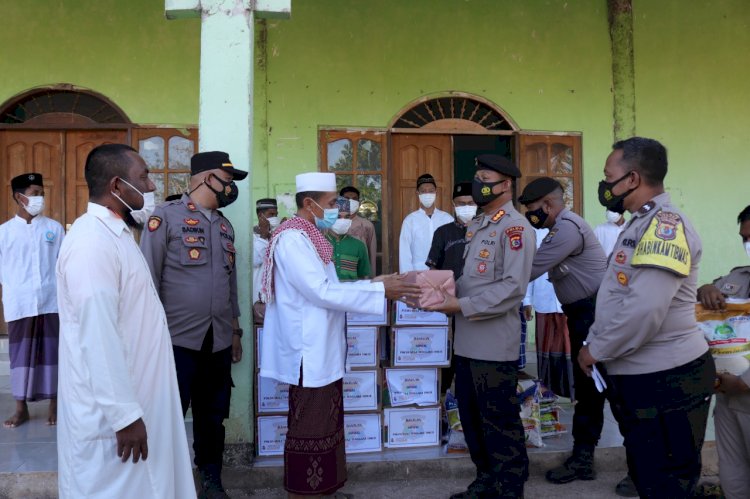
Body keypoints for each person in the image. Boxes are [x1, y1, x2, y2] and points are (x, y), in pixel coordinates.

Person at [259, 172, 420, 498]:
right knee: (310, 427)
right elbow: (321, 292)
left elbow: (332, 289)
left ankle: (324, 488)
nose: (337, 209)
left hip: (323, 349)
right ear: (310, 203)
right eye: (332, 203)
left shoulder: (310, 237)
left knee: (328, 426)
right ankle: (303, 493)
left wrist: (378, 283)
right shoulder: (293, 239)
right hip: (309, 353)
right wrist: (379, 289)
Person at [56, 144, 194, 498]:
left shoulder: (117, 234)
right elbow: (97, 334)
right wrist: (124, 416)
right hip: (113, 419)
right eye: (144, 176)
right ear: (117, 186)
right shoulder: (91, 244)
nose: (151, 187)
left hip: (142, 399)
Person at [579, 137, 715, 498]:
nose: (604, 184)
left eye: (609, 176)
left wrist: (596, 349)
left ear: (633, 179)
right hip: (645, 379)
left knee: (666, 485)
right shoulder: (640, 223)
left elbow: (644, 309)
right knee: (649, 479)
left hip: (667, 380)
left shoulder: (665, 226)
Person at [426, 154, 535, 498]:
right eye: (476, 177)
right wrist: (439, 291)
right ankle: (486, 480)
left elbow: (512, 288)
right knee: (472, 419)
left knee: (498, 420)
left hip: (493, 344)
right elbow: (470, 279)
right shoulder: (478, 224)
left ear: (506, 185)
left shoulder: (515, 228)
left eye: (485, 178)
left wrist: (462, 304)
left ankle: (509, 487)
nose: (478, 184)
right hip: (466, 341)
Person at [140, 151, 246, 498]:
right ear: (204, 178)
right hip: (176, 340)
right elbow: (148, 280)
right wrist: (150, 336)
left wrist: (234, 331)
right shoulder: (166, 218)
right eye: (226, 179)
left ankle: (211, 479)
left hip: (217, 340)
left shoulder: (225, 226)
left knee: (213, 417)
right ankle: (161, 484)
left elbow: (231, 283)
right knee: (169, 416)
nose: (230, 187)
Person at [518, 177, 625, 489]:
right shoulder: (559, 226)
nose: (530, 214)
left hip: (596, 316)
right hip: (583, 317)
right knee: (589, 389)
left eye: (533, 209)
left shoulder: (567, 228)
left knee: (613, 391)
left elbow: (530, 269)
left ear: (548, 205)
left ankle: (641, 467)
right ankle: (583, 458)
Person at [0, 173, 63, 428]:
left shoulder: (54, 229)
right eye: (35, 193)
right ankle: (21, 408)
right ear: (19, 197)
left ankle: (55, 405)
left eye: (41, 193)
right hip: (21, 304)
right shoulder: (4, 233)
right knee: (21, 357)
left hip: (51, 302)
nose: (40, 198)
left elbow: (64, 266)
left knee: (53, 354)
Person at [696, 205, 750, 499]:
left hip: (743, 388)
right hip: (728, 398)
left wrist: (744, 382)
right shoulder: (738, 277)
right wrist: (704, 288)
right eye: (744, 238)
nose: (748, 244)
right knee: (733, 475)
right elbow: (702, 307)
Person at [426, 181, 475, 394]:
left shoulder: (487, 230)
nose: (466, 207)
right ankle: (444, 395)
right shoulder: (443, 232)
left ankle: (469, 393)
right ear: (453, 205)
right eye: (461, 203)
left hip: (476, 303)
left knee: (472, 353)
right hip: (448, 305)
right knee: (448, 352)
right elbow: (433, 267)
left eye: (470, 203)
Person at [523, 227, 573, 399]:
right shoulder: (534, 234)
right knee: (545, 345)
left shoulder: (570, 232)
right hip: (543, 298)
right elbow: (529, 269)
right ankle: (545, 387)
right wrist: (527, 300)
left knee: (567, 345)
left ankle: (570, 388)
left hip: (567, 298)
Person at [398, 173, 453, 272]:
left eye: (431, 191)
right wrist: (408, 279)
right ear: (417, 193)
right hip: (418, 273)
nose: (427, 194)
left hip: (443, 273)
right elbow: (404, 253)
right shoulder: (410, 221)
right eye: (423, 191)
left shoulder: (447, 219)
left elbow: (453, 249)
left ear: (436, 192)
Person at [326, 196, 371, 280]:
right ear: (328, 217)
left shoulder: (359, 245)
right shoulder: (317, 243)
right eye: (338, 217)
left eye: (346, 217)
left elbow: (363, 277)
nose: (343, 220)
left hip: (352, 292)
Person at [340, 186, 377, 273]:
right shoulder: (331, 225)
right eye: (347, 198)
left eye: (354, 199)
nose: (351, 201)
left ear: (359, 203)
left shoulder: (367, 225)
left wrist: (371, 277)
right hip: (338, 273)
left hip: (361, 272)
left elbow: (372, 254)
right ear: (340, 201)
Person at [253, 198, 279, 301]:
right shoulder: (250, 236)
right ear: (260, 216)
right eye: (271, 215)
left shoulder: (277, 234)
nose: (275, 218)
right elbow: (255, 260)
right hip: (258, 296)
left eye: (276, 215)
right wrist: (263, 236)